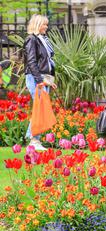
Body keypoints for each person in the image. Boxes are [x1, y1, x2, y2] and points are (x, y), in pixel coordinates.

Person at [23, 14, 57, 151]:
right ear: (38, 25)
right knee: (40, 109)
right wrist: (39, 81)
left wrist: (49, 81)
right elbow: (31, 61)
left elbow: (46, 62)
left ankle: (32, 138)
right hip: (35, 77)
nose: (46, 27)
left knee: (41, 109)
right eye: (44, 24)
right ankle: (33, 140)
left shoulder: (42, 39)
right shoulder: (31, 39)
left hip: (43, 78)